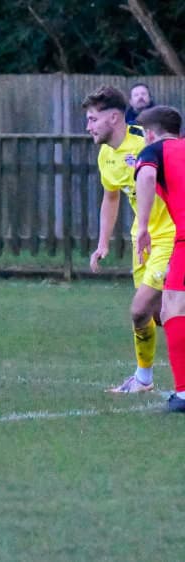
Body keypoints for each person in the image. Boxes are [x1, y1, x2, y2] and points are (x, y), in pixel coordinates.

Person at [83, 86, 175, 394]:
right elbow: (111, 198)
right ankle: (143, 380)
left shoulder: (146, 139)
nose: (88, 127)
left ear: (114, 118)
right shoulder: (105, 156)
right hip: (143, 240)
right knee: (156, 314)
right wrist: (103, 243)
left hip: (171, 236)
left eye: (93, 119)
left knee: (139, 309)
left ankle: (143, 377)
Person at [133, 105, 185, 411]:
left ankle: (183, 394)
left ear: (151, 133)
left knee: (173, 309)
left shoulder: (153, 151)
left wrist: (142, 226)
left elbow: (148, 176)